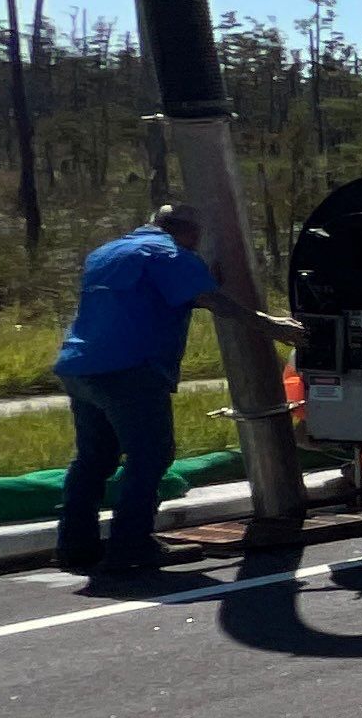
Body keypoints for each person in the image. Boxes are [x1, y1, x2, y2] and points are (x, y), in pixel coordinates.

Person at [52, 206, 298, 575]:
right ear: (192, 233)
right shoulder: (170, 255)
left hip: (79, 366)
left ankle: (75, 545)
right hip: (130, 369)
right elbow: (215, 301)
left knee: (95, 458)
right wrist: (272, 325)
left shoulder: (106, 253)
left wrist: (201, 278)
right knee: (150, 455)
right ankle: (131, 544)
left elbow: (153, 296)